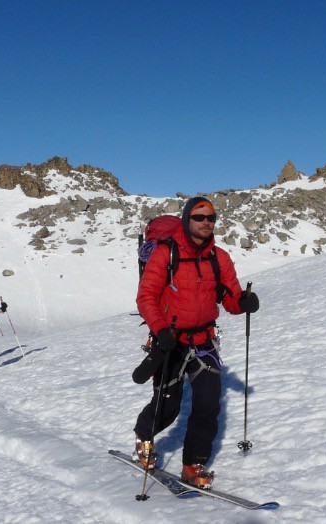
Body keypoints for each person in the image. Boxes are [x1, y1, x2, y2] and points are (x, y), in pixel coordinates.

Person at [131, 196, 260, 489]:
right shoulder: (166, 253)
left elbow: (230, 298)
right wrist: (161, 329)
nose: (206, 222)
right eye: (199, 217)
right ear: (188, 219)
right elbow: (146, 296)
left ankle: (193, 464)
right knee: (168, 406)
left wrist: (245, 302)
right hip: (170, 342)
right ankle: (144, 433)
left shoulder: (220, 257)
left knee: (207, 404)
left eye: (211, 218)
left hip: (204, 340)